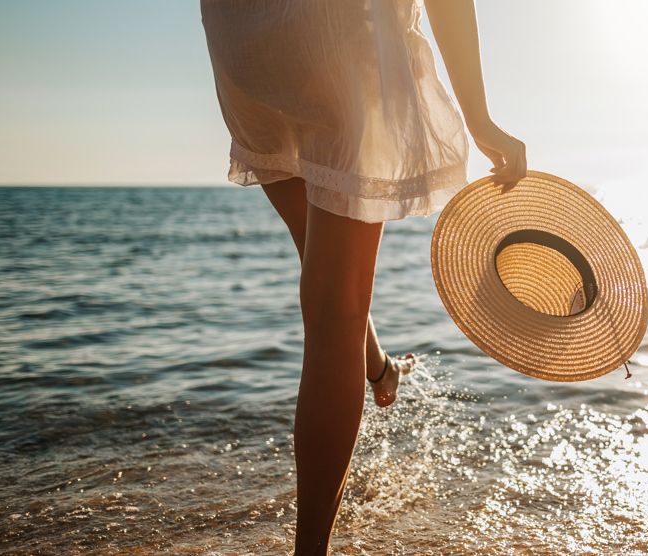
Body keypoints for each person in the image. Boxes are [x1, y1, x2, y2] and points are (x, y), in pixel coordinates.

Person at [201, 1, 526, 554]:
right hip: (337, 32)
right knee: (334, 315)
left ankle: (378, 367)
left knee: (325, 273)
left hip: (245, 41)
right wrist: (480, 119)